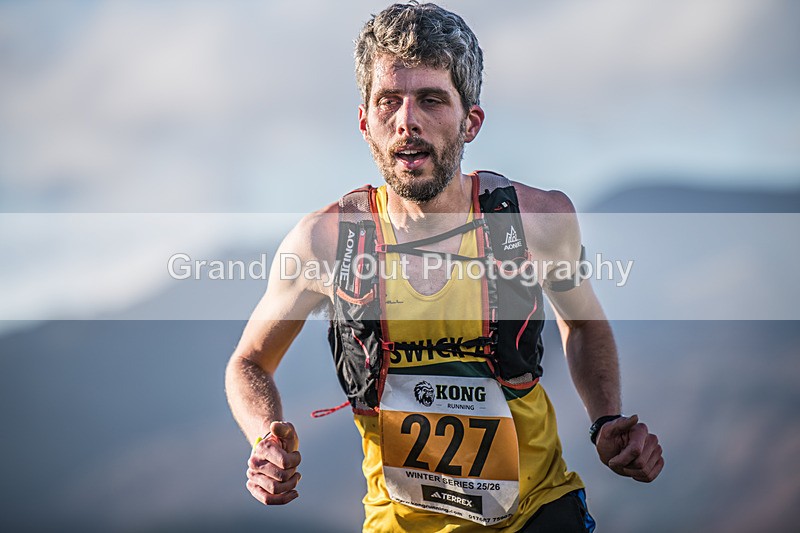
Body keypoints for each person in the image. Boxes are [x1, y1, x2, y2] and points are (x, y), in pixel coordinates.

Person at [225, 2, 663, 531]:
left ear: (470, 120)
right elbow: (248, 361)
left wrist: (607, 419)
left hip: (538, 514)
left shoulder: (536, 222)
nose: (407, 121)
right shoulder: (326, 241)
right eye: (389, 101)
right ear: (365, 122)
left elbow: (584, 320)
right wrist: (266, 438)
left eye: (431, 100)